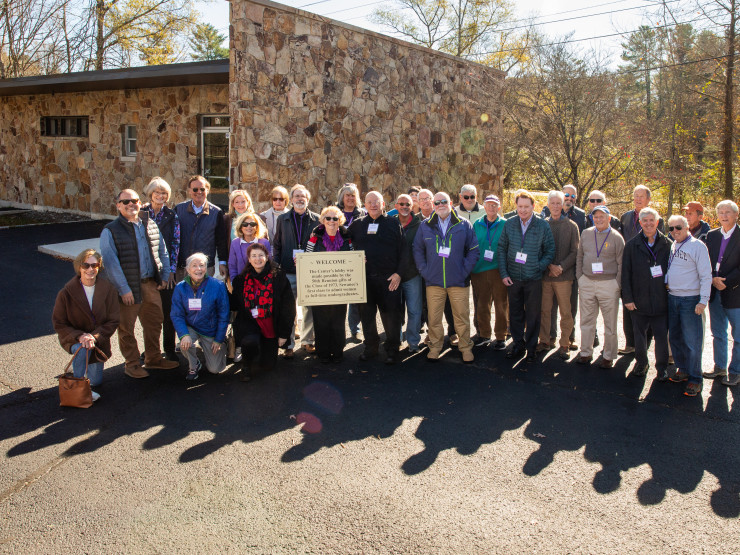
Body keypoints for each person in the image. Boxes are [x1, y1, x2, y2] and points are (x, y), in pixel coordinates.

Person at [100, 189, 179, 378]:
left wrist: (164, 275)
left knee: (154, 322)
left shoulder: (149, 223)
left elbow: (163, 251)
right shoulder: (110, 230)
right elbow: (111, 263)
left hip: (150, 284)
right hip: (127, 287)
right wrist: (123, 289)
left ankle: (153, 358)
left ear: (139, 202)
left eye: (134, 200)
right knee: (126, 327)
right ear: (118, 205)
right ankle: (132, 363)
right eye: (125, 201)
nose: (130, 204)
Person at [413, 191, 479, 362]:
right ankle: (435, 346)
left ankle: (465, 347)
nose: (440, 205)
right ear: (433, 205)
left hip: (458, 281)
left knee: (461, 318)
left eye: (444, 201)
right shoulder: (425, 225)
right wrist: (425, 271)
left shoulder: (464, 225)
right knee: (434, 318)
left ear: (451, 203)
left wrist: (464, 271)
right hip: (433, 281)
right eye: (437, 202)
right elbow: (418, 250)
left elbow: (473, 250)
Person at [52, 249, 120, 402]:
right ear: (79, 267)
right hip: (75, 338)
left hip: (98, 340)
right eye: (86, 265)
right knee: (82, 348)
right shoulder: (65, 293)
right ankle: (79, 387)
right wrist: (81, 336)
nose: (90, 269)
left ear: (99, 266)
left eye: (94, 265)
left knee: (96, 381)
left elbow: (113, 320)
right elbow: (59, 323)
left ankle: (78, 366)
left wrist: (93, 337)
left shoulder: (108, 290)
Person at [497, 190, 555, 362]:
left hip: (533, 278)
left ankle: (531, 348)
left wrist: (539, 266)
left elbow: (550, 250)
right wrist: (504, 273)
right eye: (520, 206)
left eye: (526, 207)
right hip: (513, 278)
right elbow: (501, 249)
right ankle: (518, 345)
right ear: (516, 206)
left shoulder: (542, 225)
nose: (522, 210)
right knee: (515, 314)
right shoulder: (509, 224)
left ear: (533, 206)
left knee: (533, 315)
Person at [349, 191, 406, 364]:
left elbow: (404, 252)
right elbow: (344, 245)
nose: (373, 205)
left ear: (383, 204)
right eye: (369, 202)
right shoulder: (356, 225)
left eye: (377, 202)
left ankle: (392, 349)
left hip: (389, 279)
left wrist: (399, 274)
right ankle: (371, 347)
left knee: (391, 316)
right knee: (366, 316)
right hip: (364, 280)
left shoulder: (393, 224)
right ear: (364, 205)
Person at [664, 214, 712, 396]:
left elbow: (706, 275)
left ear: (687, 228)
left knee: (692, 341)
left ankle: (695, 378)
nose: (675, 231)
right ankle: (682, 369)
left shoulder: (697, 246)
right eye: (671, 228)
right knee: (675, 337)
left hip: (690, 300)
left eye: (678, 227)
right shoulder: (673, 245)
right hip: (673, 298)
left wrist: (703, 300)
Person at [231, 243, 295, 380]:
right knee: (249, 342)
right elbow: (234, 305)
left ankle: (262, 350)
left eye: (260, 255)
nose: (257, 259)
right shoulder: (241, 281)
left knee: (268, 365)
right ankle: (246, 364)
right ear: (249, 259)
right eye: (253, 256)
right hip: (250, 324)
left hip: (271, 325)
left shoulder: (278, 278)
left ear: (267, 257)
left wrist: (284, 334)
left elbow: (288, 308)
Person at [621, 207, 671, 380]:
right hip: (638, 301)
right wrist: (627, 298)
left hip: (661, 301)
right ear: (640, 223)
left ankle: (661, 368)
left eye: (652, 220)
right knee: (639, 337)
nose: (648, 224)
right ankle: (641, 363)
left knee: (661, 338)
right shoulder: (631, 245)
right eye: (645, 221)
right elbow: (625, 274)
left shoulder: (668, 245)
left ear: (657, 222)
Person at [272, 184, 320, 357]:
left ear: (308, 199)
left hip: (309, 271)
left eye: (303, 196)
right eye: (296, 196)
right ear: (291, 200)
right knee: (288, 309)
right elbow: (277, 245)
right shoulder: (282, 219)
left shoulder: (317, 219)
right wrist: (276, 266)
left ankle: (308, 341)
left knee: (309, 308)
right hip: (287, 270)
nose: (300, 199)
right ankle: (289, 344)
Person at [575, 205, 625, 368]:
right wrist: (580, 277)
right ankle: (585, 352)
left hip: (608, 284)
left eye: (602, 216)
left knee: (610, 323)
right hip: (587, 282)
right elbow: (580, 256)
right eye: (595, 217)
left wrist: (616, 283)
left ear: (609, 218)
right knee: (587, 320)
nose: (598, 219)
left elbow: (621, 263)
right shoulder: (586, 234)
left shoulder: (617, 237)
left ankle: (608, 355)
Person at [619, 184, 665, 355]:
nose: (638, 199)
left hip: (650, 271)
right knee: (628, 306)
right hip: (629, 265)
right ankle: (630, 343)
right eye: (635, 195)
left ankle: (644, 347)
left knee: (647, 309)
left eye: (641, 196)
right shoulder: (626, 217)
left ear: (648, 199)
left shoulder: (655, 218)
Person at [306, 206, 354, 362]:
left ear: (340, 220)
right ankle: (323, 352)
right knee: (321, 320)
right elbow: (307, 258)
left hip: (340, 285)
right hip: (319, 285)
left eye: (335, 218)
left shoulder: (347, 237)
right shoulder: (315, 237)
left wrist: (360, 261)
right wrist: (300, 262)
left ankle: (338, 350)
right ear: (322, 220)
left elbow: (353, 257)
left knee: (338, 319)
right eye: (328, 218)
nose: (332, 221)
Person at [171, 253, 230, 381]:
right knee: (184, 343)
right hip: (191, 326)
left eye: (202, 265)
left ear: (206, 268)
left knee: (215, 369)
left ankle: (222, 343)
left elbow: (223, 314)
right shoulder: (180, 288)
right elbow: (177, 314)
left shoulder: (217, 286)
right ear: (187, 269)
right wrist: (183, 334)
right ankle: (194, 364)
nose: (198, 269)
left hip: (210, 329)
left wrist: (219, 338)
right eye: (194, 266)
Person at [540, 184, 585, 349]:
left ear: (563, 204)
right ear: (548, 205)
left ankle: (565, 343)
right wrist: (550, 266)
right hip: (546, 276)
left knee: (566, 313)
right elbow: (539, 250)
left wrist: (560, 267)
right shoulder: (542, 225)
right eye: (552, 203)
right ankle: (544, 340)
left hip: (564, 277)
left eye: (558, 203)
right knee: (545, 311)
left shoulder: (572, 226)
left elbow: (576, 252)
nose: (556, 206)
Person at [141, 177, 180, 361]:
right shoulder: (141, 213)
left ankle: (169, 348)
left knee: (168, 312)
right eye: (157, 192)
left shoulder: (172, 215)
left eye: (164, 193)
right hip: (147, 272)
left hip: (166, 271)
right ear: (150, 193)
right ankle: (151, 350)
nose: (161, 196)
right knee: (150, 314)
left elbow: (175, 244)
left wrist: (171, 270)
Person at [704, 200, 740, 387]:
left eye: (728, 212)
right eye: (721, 212)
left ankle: (736, 371)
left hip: (734, 292)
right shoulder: (711, 235)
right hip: (714, 290)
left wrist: (725, 282)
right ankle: (719, 367)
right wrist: (712, 278)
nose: (724, 216)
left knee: (738, 336)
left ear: (736, 215)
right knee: (718, 332)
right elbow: (705, 261)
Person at [470, 194, 508, 350]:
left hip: (499, 270)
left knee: (501, 305)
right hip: (479, 270)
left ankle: (501, 336)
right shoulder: (477, 224)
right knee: (482, 304)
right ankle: (484, 334)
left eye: (495, 205)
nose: (492, 207)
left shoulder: (505, 224)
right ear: (484, 207)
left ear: (499, 207)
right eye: (489, 205)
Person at [174, 175, 228, 280]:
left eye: (202, 189)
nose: (199, 192)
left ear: (207, 190)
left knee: (204, 296)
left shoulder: (216, 212)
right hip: (183, 266)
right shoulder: (178, 210)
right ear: (189, 191)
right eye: (195, 189)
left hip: (206, 267)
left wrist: (222, 262)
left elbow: (221, 241)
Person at [392, 194, 423, 353]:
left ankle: (413, 342)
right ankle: (396, 340)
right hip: (394, 276)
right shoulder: (390, 223)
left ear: (413, 206)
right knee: (396, 311)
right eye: (401, 204)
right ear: (396, 206)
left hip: (412, 275)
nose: (404, 207)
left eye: (408, 204)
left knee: (414, 310)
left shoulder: (420, 225)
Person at [336, 183, 366, 341]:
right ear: (342, 197)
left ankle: (355, 329)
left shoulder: (363, 214)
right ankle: (339, 331)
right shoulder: (334, 212)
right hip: (337, 259)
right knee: (338, 298)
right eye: (347, 195)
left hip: (356, 259)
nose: (350, 198)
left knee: (355, 297)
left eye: (353, 195)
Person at [228, 212, 272, 281]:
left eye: (252, 224)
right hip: (241, 283)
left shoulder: (264, 242)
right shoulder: (235, 243)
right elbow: (232, 266)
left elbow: (269, 265)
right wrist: (234, 282)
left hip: (261, 283)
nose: (249, 227)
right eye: (245, 224)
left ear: (257, 227)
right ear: (240, 227)